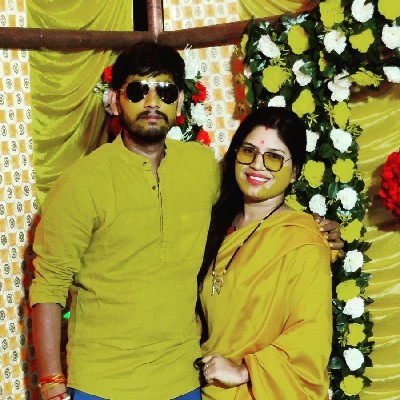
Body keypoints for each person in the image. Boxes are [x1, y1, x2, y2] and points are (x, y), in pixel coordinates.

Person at [30, 43, 341, 400]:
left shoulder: (201, 166)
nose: (152, 103)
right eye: (137, 90)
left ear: (179, 103)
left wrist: (316, 226)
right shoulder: (81, 182)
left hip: (183, 380)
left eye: (164, 91)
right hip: (102, 383)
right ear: (115, 101)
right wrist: (51, 383)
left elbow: (256, 198)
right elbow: (49, 285)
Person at [198, 107, 333, 399]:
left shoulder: (303, 241)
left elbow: (311, 335)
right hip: (203, 387)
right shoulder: (215, 225)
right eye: (249, 152)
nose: (257, 165)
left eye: (273, 157)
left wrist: (245, 371)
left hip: (259, 391)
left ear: (294, 172)